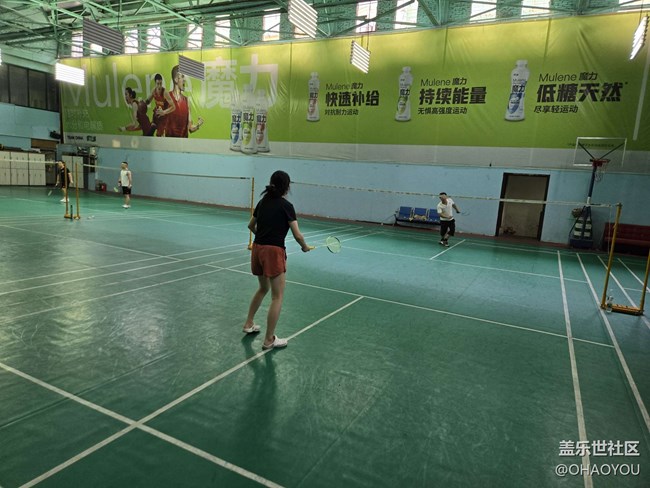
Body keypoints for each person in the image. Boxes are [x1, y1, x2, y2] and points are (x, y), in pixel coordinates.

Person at [243, 170, 311, 350]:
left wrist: (262, 237)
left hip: (257, 249)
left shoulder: (262, 202)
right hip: (273, 252)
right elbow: (297, 235)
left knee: (263, 288)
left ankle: (249, 323)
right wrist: (304, 246)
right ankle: (269, 339)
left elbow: (251, 225)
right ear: (287, 187)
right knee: (277, 296)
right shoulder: (286, 206)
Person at [159, 65, 204, 138]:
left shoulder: (187, 101)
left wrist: (198, 124)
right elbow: (160, 124)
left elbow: (190, 128)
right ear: (176, 79)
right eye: (182, 77)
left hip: (183, 143)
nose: (184, 80)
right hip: (169, 143)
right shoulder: (166, 98)